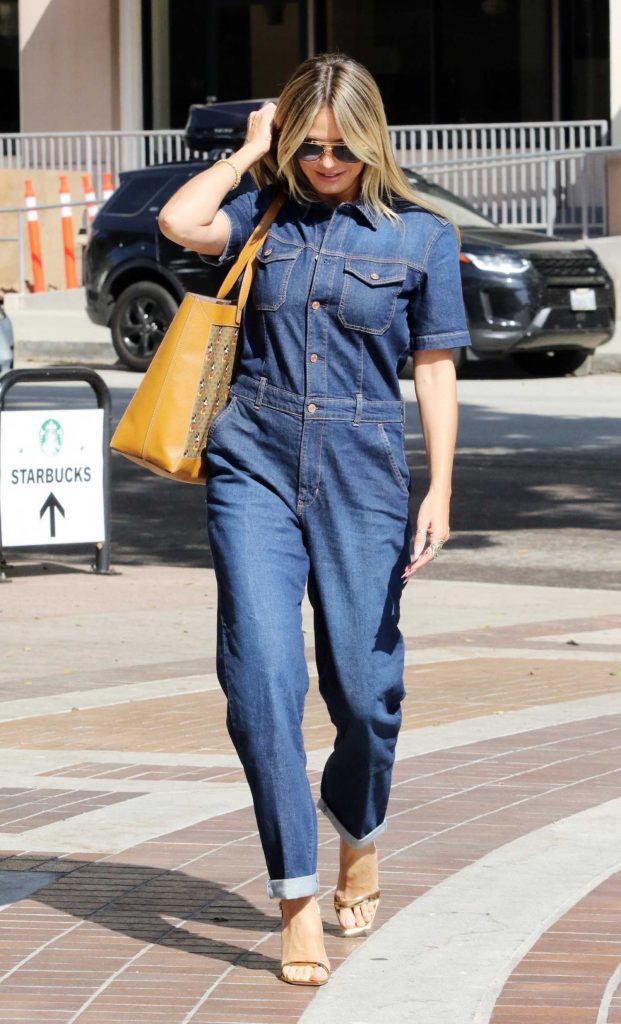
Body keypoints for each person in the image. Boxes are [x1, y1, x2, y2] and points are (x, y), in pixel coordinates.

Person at [158, 52, 470, 988]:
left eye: (341, 149)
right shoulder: (263, 212)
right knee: (261, 681)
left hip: (365, 470)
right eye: (310, 147)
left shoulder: (420, 239)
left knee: (367, 695)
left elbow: (434, 368)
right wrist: (251, 149)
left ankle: (359, 831)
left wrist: (441, 489)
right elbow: (179, 220)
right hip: (250, 456)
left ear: (372, 143)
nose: (326, 165)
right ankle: (296, 895)